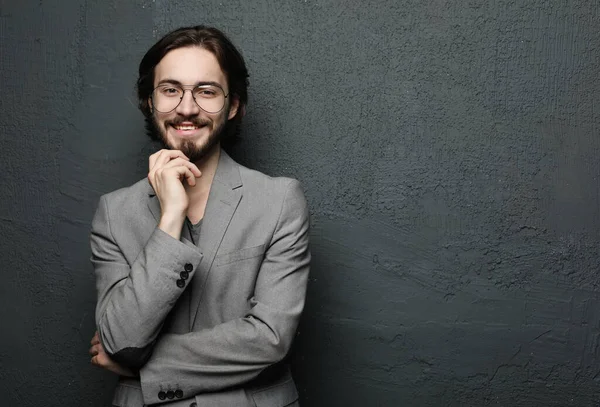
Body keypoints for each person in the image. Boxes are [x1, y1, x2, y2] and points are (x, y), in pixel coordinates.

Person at [87, 25, 310, 407]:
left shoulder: (279, 200)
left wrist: (141, 366)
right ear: (149, 102)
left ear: (233, 104)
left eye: (206, 92)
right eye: (170, 90)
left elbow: (270, 338)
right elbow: (122, 338)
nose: (187, 108)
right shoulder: (114, 213)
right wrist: (171, 215)